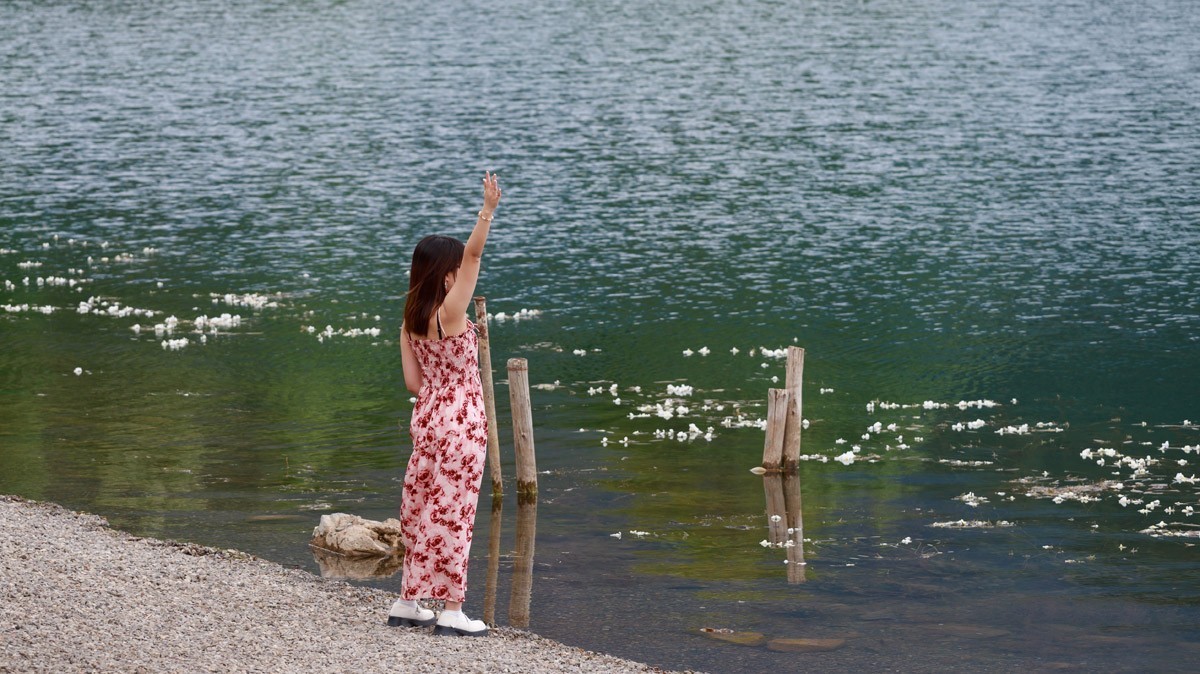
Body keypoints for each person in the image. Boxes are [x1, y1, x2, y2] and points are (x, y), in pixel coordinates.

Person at [387, 172, 501, 637]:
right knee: (455, 512)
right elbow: (474, 253)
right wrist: (487, 210)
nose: (462, 271)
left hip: (428, 420)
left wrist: (439, 389)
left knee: (421, 507)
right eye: (455, 268)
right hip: (462, 423)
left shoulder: (411, 319)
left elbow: (414, 383)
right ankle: (452, 610)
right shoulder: (450, 313)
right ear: (446, 272)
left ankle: (408, 602)